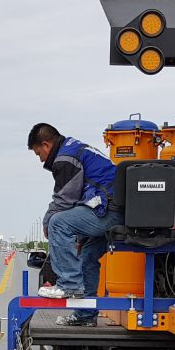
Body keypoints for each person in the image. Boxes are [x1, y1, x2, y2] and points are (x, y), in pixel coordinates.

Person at [27, 123, 123, 326]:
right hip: (114, 209)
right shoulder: (75, 148)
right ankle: (85, 315)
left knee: (57, 222)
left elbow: (64, 200)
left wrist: (47, 221)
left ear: (46, 144)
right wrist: (80, 235)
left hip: (109, 211)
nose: (41, 159)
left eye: (39, 154)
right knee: (87, 257)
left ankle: (69, 284)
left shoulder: (64, 159)